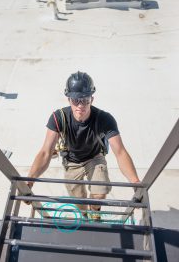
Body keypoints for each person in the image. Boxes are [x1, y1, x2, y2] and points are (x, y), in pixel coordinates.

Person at [26, 71, 140, 220]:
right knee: (78, 199)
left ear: (92, 98)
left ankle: (95, 213)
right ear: (69, 99)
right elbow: (45, 153)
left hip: (94, 157)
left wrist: (135, 182)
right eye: (76, 100)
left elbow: (120, 152)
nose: (81, 105)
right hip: (72, 161)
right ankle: (85, 215)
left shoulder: (104, 119)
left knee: (99, 192)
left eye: (85, 100)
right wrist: (29, 181)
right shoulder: (58, 118)